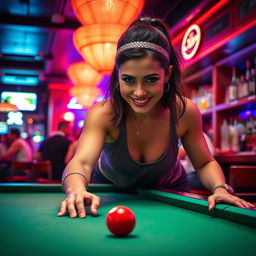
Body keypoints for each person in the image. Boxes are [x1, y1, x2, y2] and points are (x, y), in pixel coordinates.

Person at [58, 17, 254, 218]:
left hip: (170, 190)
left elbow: (204, 163)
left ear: (167, 74)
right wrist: (76, 190)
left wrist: (220, 189)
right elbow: (81, 162)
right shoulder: (102, 114)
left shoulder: (184, 111)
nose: (140, 92)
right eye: (129, 80)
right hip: (110, 190)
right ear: (118, 76)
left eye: (151, 79)